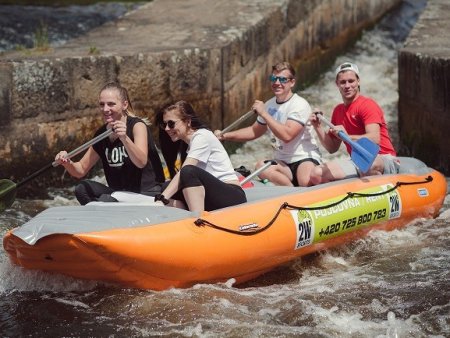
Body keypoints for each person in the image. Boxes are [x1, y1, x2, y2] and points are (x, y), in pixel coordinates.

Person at [54, 82, 165, 205]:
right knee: (82, 189)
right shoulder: (102, 133)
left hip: (146, 192)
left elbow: (141, 162)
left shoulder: (137, 126)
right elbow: (80, 170)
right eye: (102, 105)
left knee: (106, 201)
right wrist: (67, 163)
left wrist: (124, 138)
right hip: (119, 193)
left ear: (124, 105)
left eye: (111, 104)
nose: (105, 109)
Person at [215, 61, 322, 187]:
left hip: (303, 158)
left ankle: (299, 194)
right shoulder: (269, 104)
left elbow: (287, 136)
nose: (277, 83)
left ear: (292, 82)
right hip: (282, 162)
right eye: (273, 78)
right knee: (261, 166)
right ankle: (291, 194)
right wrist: (224, 136)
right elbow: (254, 131)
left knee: (305, 181)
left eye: (282, 79)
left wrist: (264, 114)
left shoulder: (299, 104)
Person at [309, 62, 398, 185]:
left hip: (382, 158)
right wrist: (317, 126)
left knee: (367, 166)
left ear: (358, 81)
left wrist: (347, 136)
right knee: (317, 174)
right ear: (337, 85)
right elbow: (332, 148)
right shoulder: (338, 111)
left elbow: (374, 138)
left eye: (351, 81)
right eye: (343, 82)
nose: (347, 86)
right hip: (357, 161)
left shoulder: (367, 105)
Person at [154, 100, 247, 212]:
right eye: (164, 124)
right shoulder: (188, 144)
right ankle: (183, 217)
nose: (167, 129)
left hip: (232, 196)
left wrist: (161, 199)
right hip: (212, 194)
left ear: (188, 121)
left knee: (188, 172)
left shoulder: (202, 136)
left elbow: (186, 170)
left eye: (171, 123)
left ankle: (197, 219)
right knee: (166, 186)